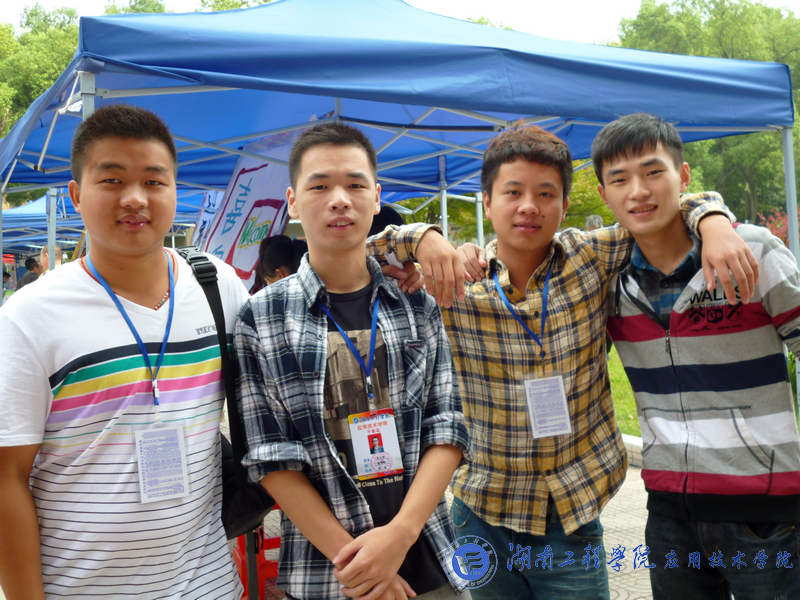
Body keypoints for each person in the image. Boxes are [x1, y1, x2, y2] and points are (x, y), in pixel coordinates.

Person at [410, 124, 757, 599]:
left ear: (565, 204)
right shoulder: (455, 283)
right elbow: (362, 256)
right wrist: (421, 236)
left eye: (545, 193)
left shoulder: (591, 256)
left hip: (570, 515)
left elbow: (661, 209)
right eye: (512, 192)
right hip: (481, 513)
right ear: (487, 202)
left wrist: (712, 220)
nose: (528, 205)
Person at [0, 104, 252, 599]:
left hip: (210, 586)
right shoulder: (28, 318)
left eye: (154, 181)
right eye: (112, 180)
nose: (135, 198)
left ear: (175, 190)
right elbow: (7, 477)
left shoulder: (216, 285)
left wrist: (395, 258)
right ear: (76, 195)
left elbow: (300, 321)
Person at [234, 122, 473, 600]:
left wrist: (400, 535)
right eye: (320, 186)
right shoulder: (261, 318)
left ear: (376, 196)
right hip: (330, 574)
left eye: (355, 185)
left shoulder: (415, 303)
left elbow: (446, 427)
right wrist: (363, 568)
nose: (339, 200)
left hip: (430, 558)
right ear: (293, 201)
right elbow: (272, 459)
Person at [594, 113, 800, 600]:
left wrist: (715, 221)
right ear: (603, 194)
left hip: (765, 514)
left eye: (653, 172)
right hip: (670, 515)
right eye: (619, 180)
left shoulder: (751, 252)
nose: (638, 191)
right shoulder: (608, 281)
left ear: (683, 176)